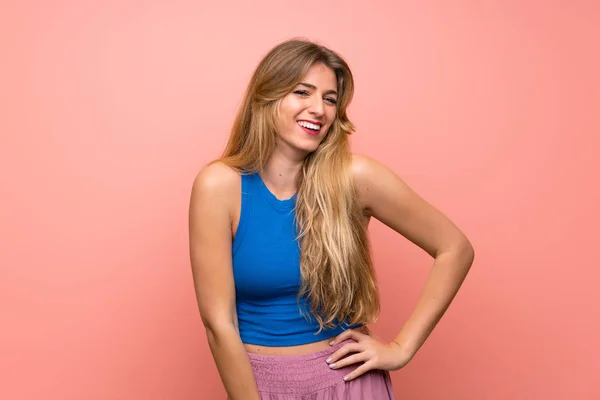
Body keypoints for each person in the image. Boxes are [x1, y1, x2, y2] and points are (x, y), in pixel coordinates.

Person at [188, 38, 475, 399]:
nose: (319, 109)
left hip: (349, 385)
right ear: (266, 97)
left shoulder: (356, 178)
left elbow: (455, 248)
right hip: (260, 387)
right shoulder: (219, 186)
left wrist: (402, 348)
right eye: (302, 92)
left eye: (329, 99)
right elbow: (219, 323)